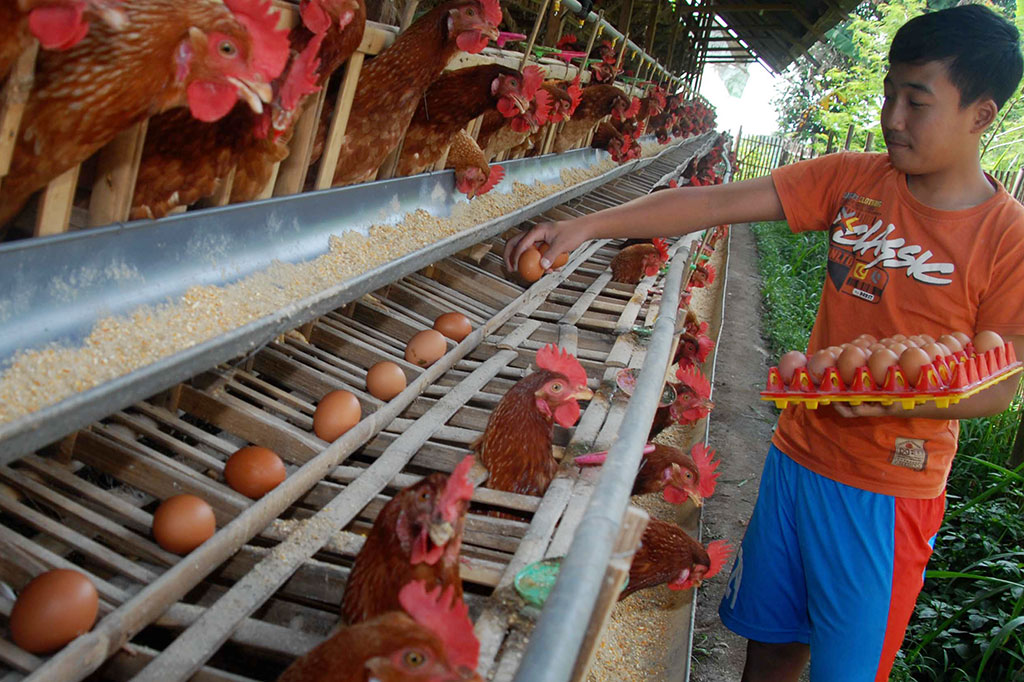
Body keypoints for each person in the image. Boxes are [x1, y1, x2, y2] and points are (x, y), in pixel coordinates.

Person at [504, 5, 1024, 680]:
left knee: (846, 670)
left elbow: (1000, 382)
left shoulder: (1006, 238)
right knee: (770, 648)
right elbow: (716, 203)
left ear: (981, 115)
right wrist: (591, 226)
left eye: (916, 102)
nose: (892, 117)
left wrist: (913, 400)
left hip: (887, 494)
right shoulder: (854, 181)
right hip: (797, 459)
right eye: (889, 93)